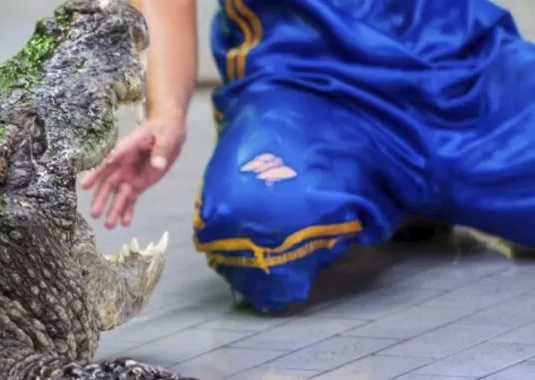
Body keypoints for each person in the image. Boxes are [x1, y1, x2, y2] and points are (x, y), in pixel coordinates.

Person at [83, 0, 535, 314]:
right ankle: (372, 190)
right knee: (255, 225)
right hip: (306, 91)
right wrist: (168, 114)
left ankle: (400, 193)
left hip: (467, 70)